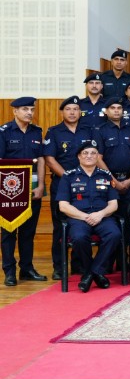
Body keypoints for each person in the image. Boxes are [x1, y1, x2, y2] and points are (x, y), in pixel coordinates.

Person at [56, 140, 122, 293]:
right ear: (79, 156)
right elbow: (63, 206)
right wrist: (85, 217)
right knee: (79, 238)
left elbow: (113, 205)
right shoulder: (69, 176)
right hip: (78, 218)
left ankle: (90, 273)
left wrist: (100, 214)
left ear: (98, 156)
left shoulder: (106, 175)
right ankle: (95, 273)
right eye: (85, 153)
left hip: (102, 217)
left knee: (114, 234)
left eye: (93, 153)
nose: (89, 156)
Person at [44, 95, 95, 279]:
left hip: (86, 187)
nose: (72, 112)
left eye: (75, 109)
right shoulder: (54, 132)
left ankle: (78, 264)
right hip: (62, 185)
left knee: (80, 225)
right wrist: (69, 178)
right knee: (60, 228)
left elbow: (95, 156)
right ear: (62, 112)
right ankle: (59, 267)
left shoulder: (88, 131)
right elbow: (50, 159)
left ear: (80, 112)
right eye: (68, 109)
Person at [0, 96, 47, 286]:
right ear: (15, 111)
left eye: (32, 109)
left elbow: (41, 159)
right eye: (25, 109)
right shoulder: (4, 132)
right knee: (8, 232)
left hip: (33, 186)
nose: (29, 113)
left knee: (28, 232)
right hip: (9, 190)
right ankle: (9, 272)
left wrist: (41, 185)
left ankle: (27, 269)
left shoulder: (37, 131)